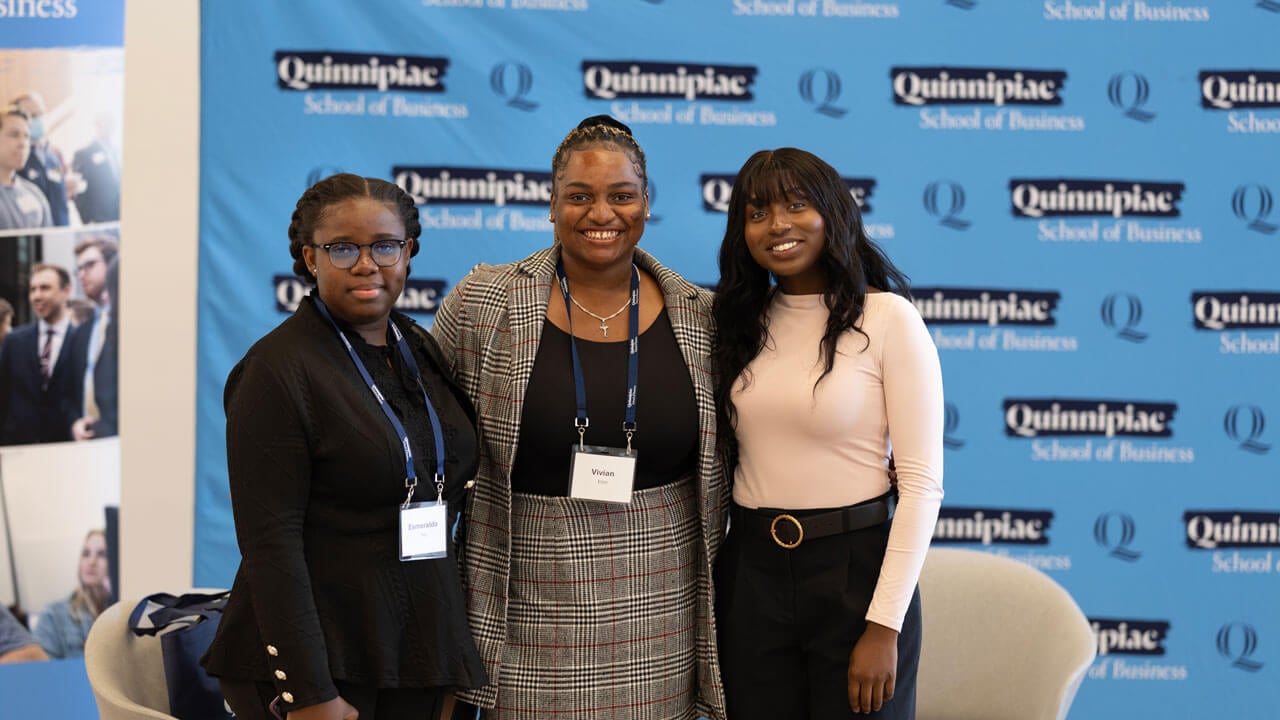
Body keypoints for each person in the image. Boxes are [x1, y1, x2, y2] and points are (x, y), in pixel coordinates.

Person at [432, 115, 728, 720]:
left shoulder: (703, 316)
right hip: (524, 606)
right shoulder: (482, 305)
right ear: (551, 204)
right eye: (580, 196)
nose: (602, 214)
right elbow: (428, 434)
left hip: (660, 608)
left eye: (621, 196)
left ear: (647, 204)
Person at [202, 173, 485, 720]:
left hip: (414, 654)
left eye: (384, 245)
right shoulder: (276, 371)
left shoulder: (417, 347)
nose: (366, 263)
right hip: (319, 667)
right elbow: (270, 546)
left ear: (408, 253)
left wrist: (449, 661)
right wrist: (309, 694)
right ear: (310, 258)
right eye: (342, 248)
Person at [711, 148, 944, 719]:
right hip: (751, 575)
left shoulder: (888, 319)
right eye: (758, 211)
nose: (778, 225)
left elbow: (919, 487)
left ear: (833, 213)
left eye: (797, 205)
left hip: (855, 575)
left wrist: (884, 626)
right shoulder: (735, 324)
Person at [0, 263, 78, 444]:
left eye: (45, 288)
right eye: (32, 289)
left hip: (65, 447)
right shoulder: (14, 341)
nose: (36, 296)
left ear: (66, 291)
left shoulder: (80, 340)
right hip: (17, 448)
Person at [66, 238, 120, 440]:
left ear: (112, 262)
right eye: (78, 269)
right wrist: (75, 423)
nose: (82, 274)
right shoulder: (81, 332)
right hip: (86, 441)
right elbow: (69, 391)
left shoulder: (129, 323)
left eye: (89, 265)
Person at [34, 529, 111, 659]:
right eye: (86, 554)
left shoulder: (125, 616)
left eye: (102, 554)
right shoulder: (53, 616)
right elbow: (43, 674)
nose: (91, 562)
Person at [12, 92, 80, 227]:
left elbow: (60, 197)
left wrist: (67, 189)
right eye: (32, 115)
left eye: (40, 114)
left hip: (61, 231)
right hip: (33, 235)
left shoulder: (53, 157)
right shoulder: (14, 159)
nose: (38, 119)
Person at [0, 106, 51, 230]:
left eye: (26, 136)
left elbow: (48, 245)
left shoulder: (34, 194)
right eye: (14, 135)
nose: (22, 143)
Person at [72, 111, 121, 225]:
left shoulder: (118, 152)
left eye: (112, 123)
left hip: (118, 218)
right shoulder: (84, 154)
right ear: (97, 125)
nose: (110, 126)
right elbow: (79, 190)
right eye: (106, 122)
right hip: (98, 220)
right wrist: (88, 219)